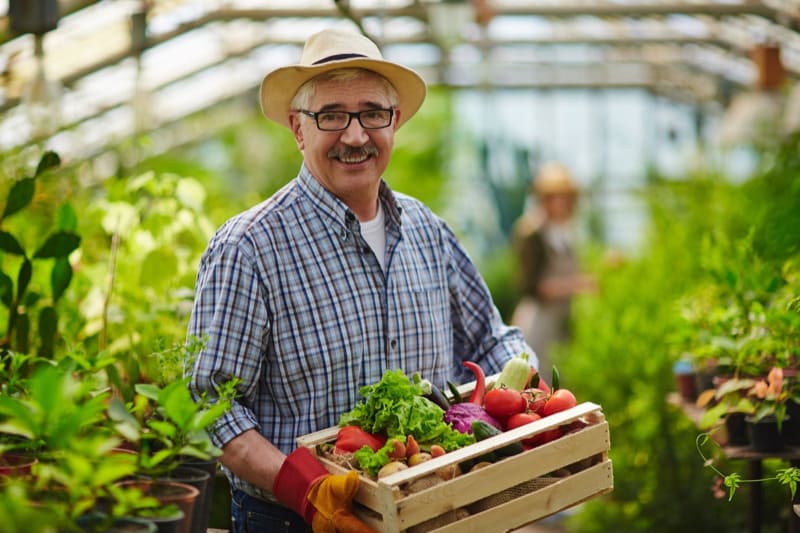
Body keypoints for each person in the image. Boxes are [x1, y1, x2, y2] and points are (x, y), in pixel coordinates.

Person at [186, 27, 537, 533]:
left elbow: (491, 338)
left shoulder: (426, 230)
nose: (355, 136)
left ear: (394, 123)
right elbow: (209, 401)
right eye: (331, 115)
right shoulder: (249, 248)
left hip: (433, 508)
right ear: (298, 128)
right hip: (294, 522)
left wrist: (537, 404)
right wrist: (304, 488)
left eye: (373, 113)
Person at [510, 161, 596, 385]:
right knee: (541, 385)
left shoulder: (565, 232)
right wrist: (578, 285)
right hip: (539, 324)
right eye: (554, 196)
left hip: (561, 323)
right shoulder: (531, 232)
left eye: (565, 196)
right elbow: (531, 286)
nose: (562, 202)